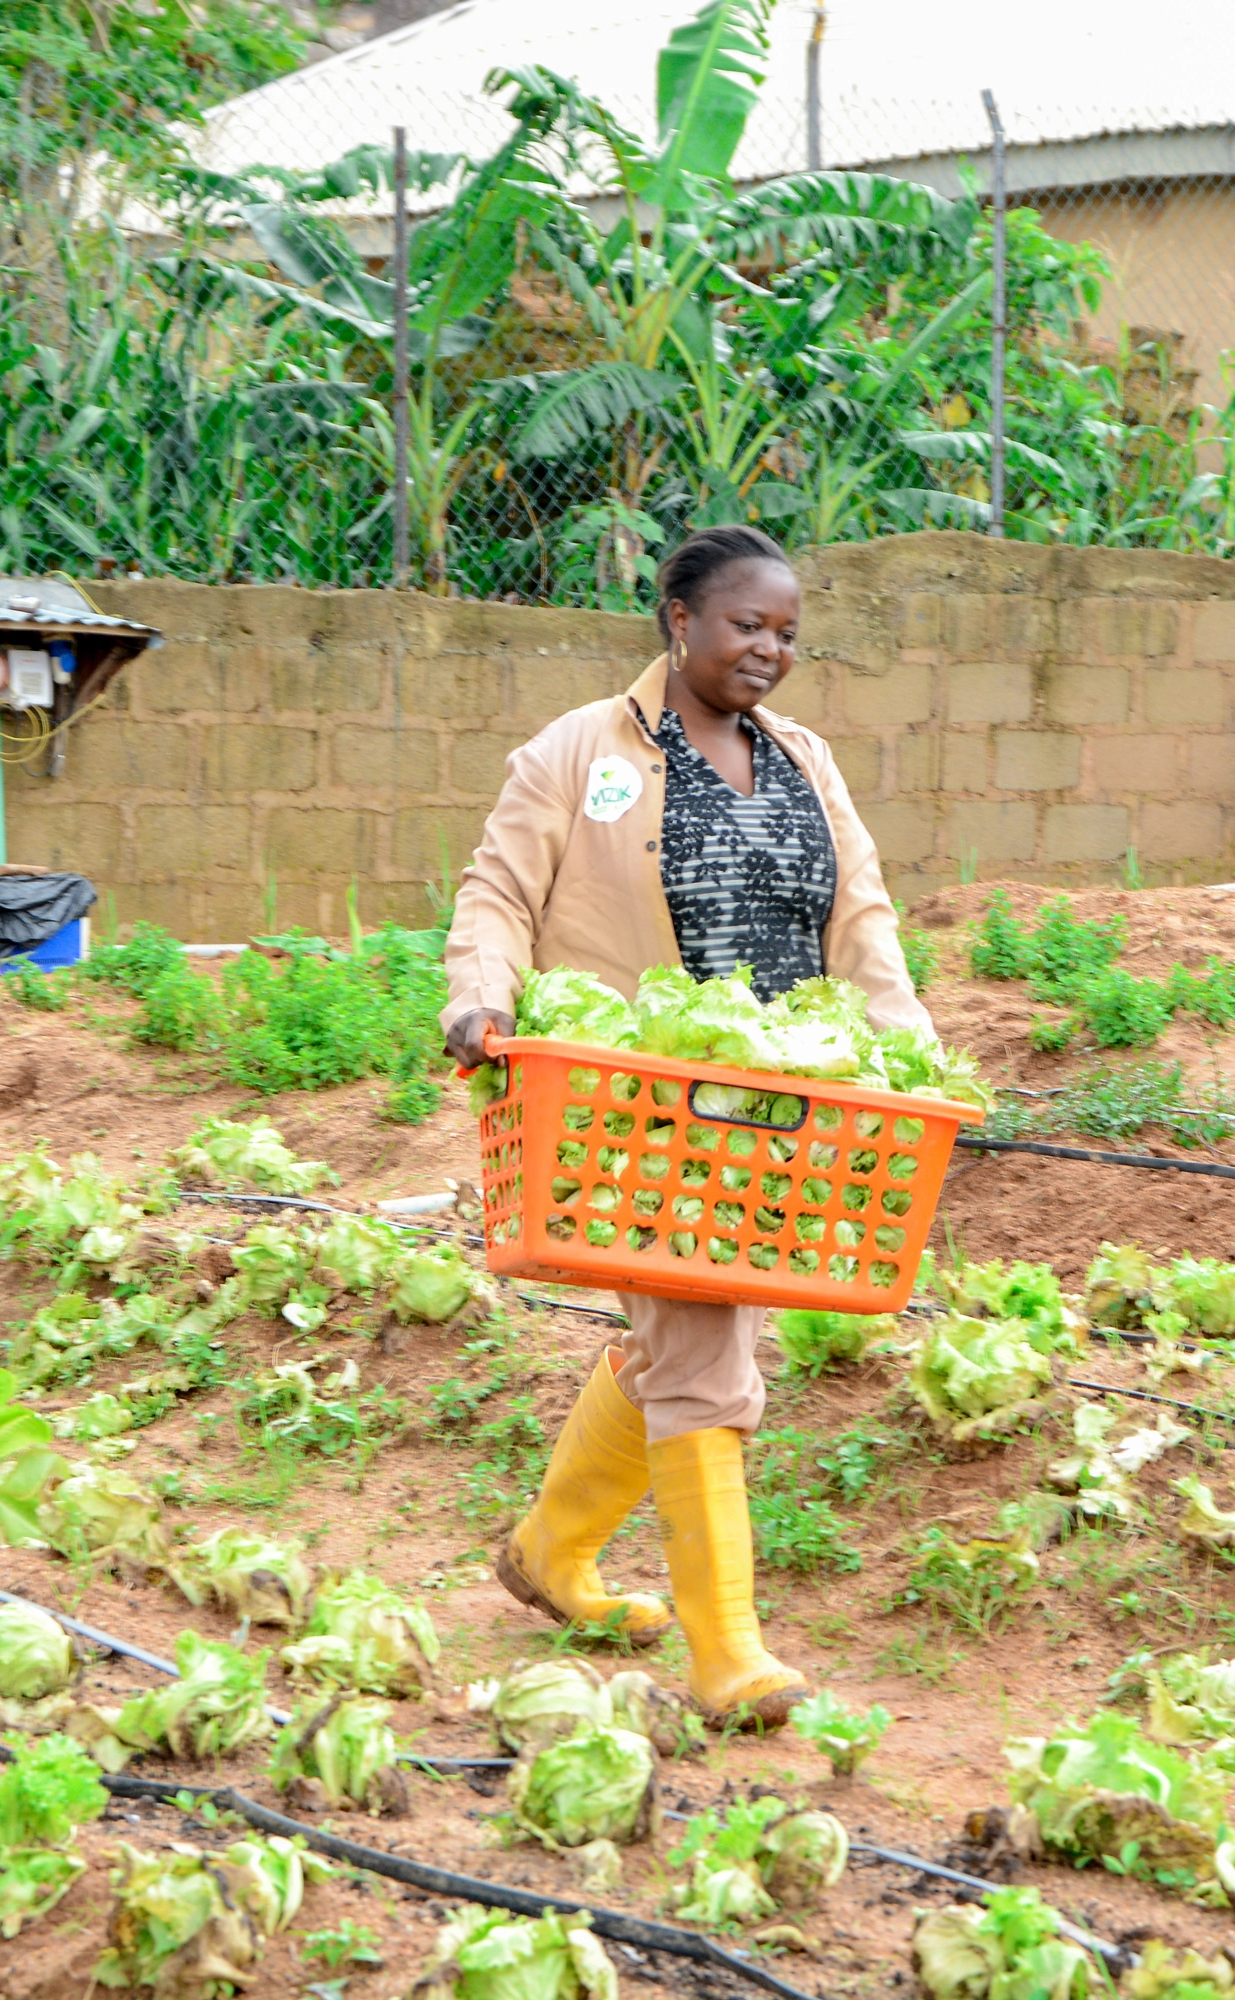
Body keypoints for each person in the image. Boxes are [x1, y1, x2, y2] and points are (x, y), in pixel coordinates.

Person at [441, 524, 929, 1727]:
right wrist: (479, 990)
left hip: (775, 1102)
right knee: (708, 1347)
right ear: (678, 619)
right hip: (635, 1097)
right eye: (746, 624)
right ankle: (730, 1655)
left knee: (689, 1327)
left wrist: (904, 1038)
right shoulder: (580, 750)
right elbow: (499, 889)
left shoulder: (805, 757)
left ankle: (550, 1553)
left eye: (786, 633)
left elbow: (859, 915)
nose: (768, 649)